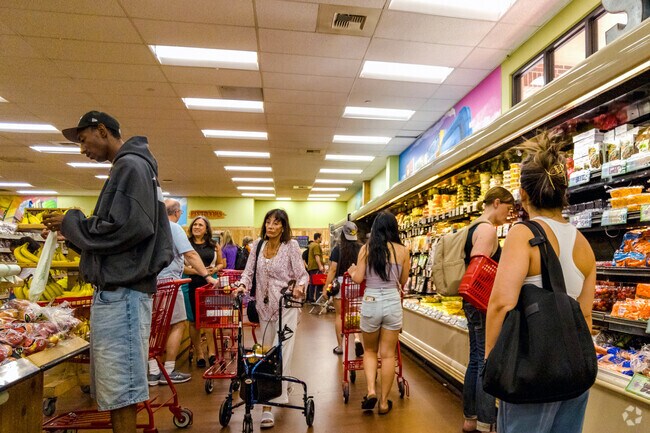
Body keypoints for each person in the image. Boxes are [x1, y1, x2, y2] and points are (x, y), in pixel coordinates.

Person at [43, 111, 174, 433]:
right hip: (121, 294)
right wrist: (78, 234)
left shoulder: (131, 166)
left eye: (83, 140)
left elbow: (130, 227)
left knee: (121, 387)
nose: (82, 149)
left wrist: (73, 223)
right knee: (118, 385)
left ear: (102, 131)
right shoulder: (132, 167)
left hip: (123, 295)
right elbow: (124, 231)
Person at [485, 136, 596, 433]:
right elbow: (585, 316)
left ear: (523, 194)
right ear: (564, 193)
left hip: (531, 371)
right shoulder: (584, 244)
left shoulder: (523, 234)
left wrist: (491, 362)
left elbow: (501, 304)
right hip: (574, 376)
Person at [238, 209, 309, 429]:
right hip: (263, 306)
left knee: (282, 351)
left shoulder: (291, 247)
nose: (271, 226)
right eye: (268, 222)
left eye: (276, 223)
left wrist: (299, 287)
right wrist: (242, 285)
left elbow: (302, 274)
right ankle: (280, 384)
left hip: (285, 305)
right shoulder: (258, 245)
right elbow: (248, 272)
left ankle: (269, 405)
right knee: (265, 350)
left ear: (283, 226)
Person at [461, 187, 514, 433]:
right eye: (507, 208)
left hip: (471, 301)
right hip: (481, 301)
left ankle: (470, 418)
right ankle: (484, 421)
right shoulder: (487, 229)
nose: (509, 213)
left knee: (474, 359)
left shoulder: (474, 226)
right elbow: (478, 264)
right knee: (484, 361)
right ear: (496, 202)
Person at [147, 199, 218, 386]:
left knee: (152, 326)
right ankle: (168, 370)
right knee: (178, 323)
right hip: (170, 283)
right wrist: (207, 276)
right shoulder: (174, 228)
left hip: (150, 283)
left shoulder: (152, 226)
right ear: (177, 213)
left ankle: (153, 371)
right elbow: (190, 254)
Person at [348, 211, 409, 416]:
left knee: (370, 351)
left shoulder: (366, 249)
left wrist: (351, 271)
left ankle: (371, 391)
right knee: (389, 354)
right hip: (392, 301)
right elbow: (402, 281)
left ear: (374, 229)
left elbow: (357, 279)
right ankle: (383, 402)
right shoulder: (403, 251)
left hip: (371, 301)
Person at [184, 215, 224, 368]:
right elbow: (182, 267)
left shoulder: (214, 245)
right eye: (195, 225)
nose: (197, 227)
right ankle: (199, 353)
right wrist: (199, 272)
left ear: (206, 228)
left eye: (200, 225)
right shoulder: (185, 245)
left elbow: (221, 263)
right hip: (191, 285)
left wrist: (215, 269)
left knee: (209, 320)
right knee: (194, 321)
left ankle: (212, 352)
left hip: (210, 286)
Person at [323, 222, 364, 356]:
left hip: (341, 284)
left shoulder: (337, 249)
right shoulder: (361, 248)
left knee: (340, 316)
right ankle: (357, 340)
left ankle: (340, 346)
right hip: (356, 283)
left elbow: (333, 269)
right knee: (354, 314)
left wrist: (325, 287)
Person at [306, 233, 325, 302]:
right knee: (318, 284)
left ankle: (311, 298)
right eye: (321, 237)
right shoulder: (316, 245)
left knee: (312, 283)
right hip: (315, 267)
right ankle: (317, 299)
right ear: (318, 238)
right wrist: (320, 266)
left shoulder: (312, 245)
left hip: (312, 267)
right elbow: (317, 256)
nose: (322, 239)